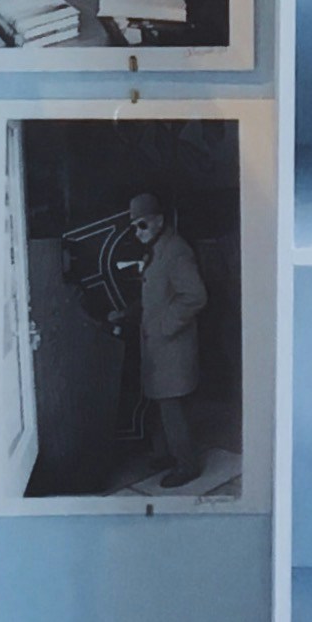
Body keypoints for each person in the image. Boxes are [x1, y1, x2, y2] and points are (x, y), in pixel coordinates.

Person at [126, 192, 208, 490]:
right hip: (159, 346)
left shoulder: (176, 251)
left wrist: (163, 326)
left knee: (172, 407)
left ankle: (187, 466)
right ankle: (167, 455)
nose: (138, 232)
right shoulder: (157, 249)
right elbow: (156, 294)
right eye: (134, 227)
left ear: (159, 220)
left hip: (172, 345)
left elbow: (195, 296)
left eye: (142, 225)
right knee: (161, 402)